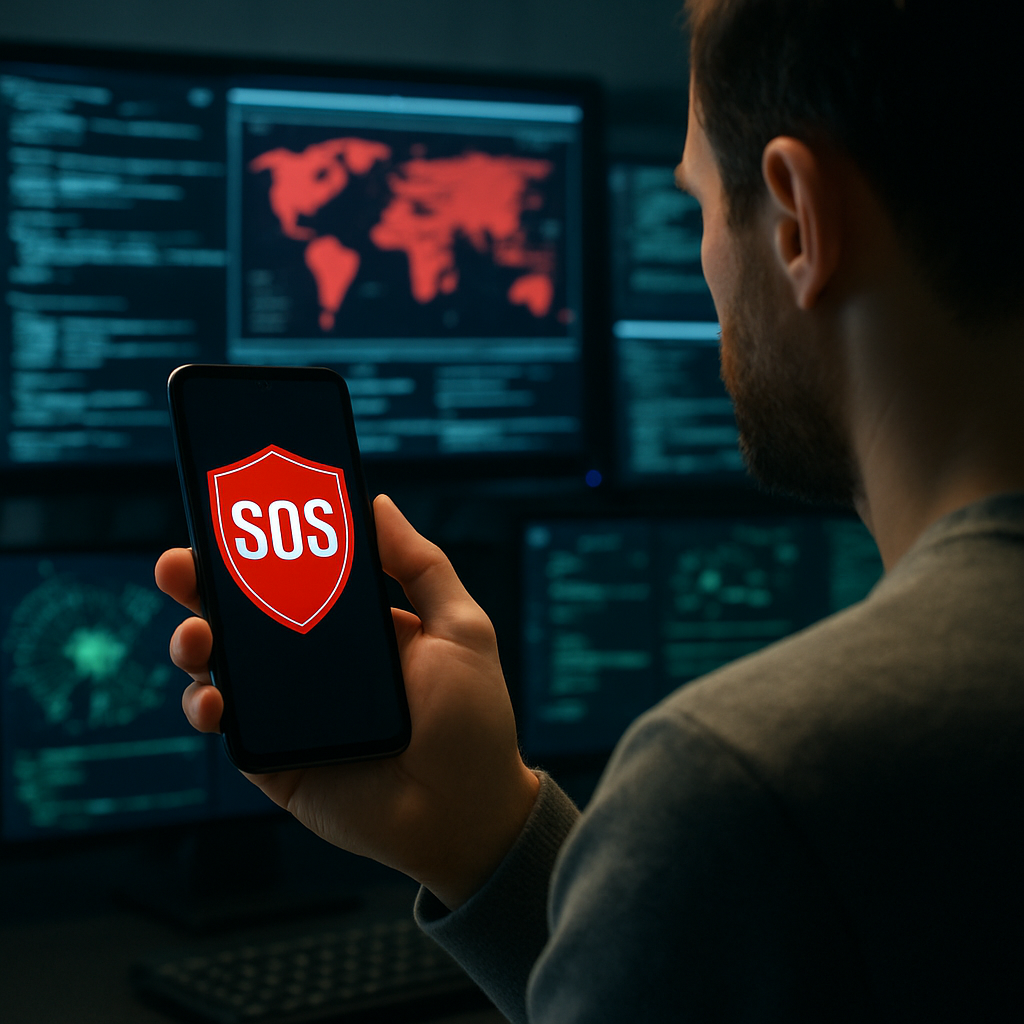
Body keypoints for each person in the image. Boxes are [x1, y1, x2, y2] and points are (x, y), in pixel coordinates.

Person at [157, 0, 1023, 1019]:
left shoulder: (747, 781)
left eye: (696, 203)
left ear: (795, 217)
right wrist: (483, 835)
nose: (702, 260)